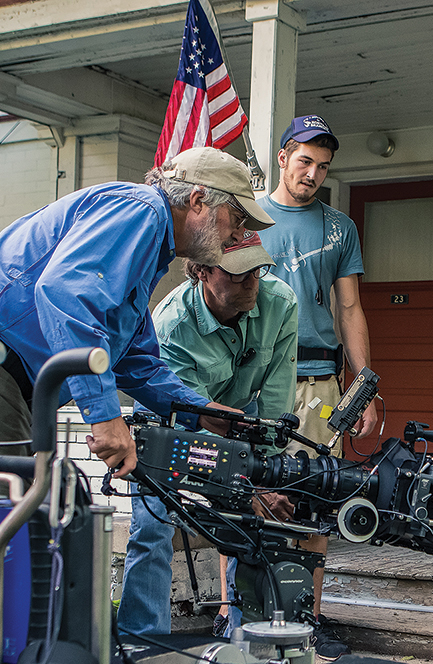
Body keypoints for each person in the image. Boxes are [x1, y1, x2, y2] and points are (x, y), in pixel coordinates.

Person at [0, 146, 271, 479]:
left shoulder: (152, 243)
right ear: (198, 201)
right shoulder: (143, 210)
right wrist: (106, 417)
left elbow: (133, 360)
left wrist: (199, 412)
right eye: (238, 218)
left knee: (8, 516)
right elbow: (65, 295)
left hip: (4, 379)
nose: (240, 234)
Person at [116, 231, 298, 642]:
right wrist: (245, 483)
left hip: (243, 415)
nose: (252, 280)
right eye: (237, 273)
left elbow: (275, 396)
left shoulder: (280, 302)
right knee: (153, 525)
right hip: (172, 415)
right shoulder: (172, 324)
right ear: (201, 271)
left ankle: (249, 640)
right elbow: (199, 424)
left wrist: (265, 474)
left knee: (251, 523)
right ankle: (144, 642)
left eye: (257, 268)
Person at [257, 115, 375, 628]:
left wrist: (365, 387)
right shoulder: (246, 215)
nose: (312, 174)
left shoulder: (338, 228)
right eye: (304, 161)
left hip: (319, 383)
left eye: (323, 166)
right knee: (245, 492)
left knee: (315, 496)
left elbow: (349, 309)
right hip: (256, 380)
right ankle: (234, 613)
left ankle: (308, 617)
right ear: (282, 157)